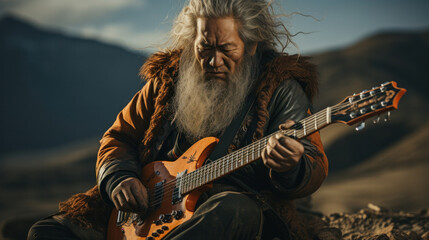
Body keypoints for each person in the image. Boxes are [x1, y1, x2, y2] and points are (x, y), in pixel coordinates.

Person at [28, 0, 328, 239]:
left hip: (223, 210)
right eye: (204, 48)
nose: (213, 61)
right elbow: (119, 137)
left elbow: (312, 165)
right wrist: (120, 178)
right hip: (147, 211)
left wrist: (292, 166)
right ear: (191, 43)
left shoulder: (280, 87)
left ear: (251, 45)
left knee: (234, 210)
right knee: (49, 231)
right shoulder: (167, 78)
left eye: (226, 49)